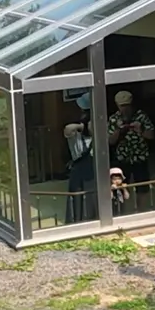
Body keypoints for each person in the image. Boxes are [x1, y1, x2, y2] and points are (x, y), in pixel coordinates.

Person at [107, 90, 155, 204]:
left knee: (142, 188)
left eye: (127, 105)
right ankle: (122, 212)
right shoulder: (114, 119)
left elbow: (152, 135)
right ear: (117, 105)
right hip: (123, 159)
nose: (125, 109)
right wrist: (119, 130)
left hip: (140, 158)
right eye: (122, 106)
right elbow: (110, 141)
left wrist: (140, 130)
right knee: (121, 188)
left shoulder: (141, 116)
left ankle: (141, 212)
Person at [63, 92, 96, 224]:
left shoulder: (95, 127)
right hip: (79, 166)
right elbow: (67, 129)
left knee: (92, 194)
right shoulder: (74, 131)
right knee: (76, 195)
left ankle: (92, 217)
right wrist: (82, 126)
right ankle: (76, 220)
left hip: (92, 164)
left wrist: (90, 126)